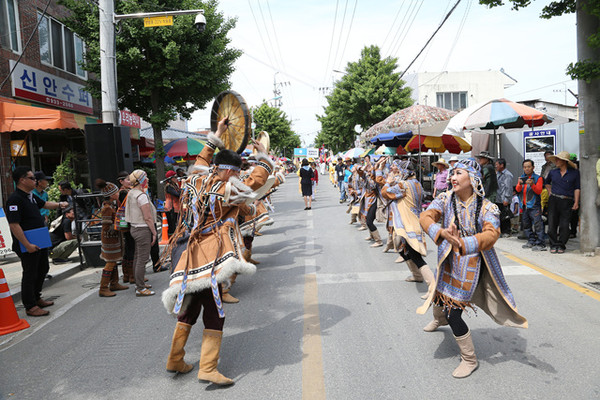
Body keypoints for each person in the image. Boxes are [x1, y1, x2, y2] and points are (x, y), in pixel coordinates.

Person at [162, 118, 271, 385]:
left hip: (188, 255)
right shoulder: (227, 189)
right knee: (215, 313)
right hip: (211, 258)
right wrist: (263, 157)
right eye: (236, 172)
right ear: (230, 171)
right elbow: (257, 182)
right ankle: (208, 367)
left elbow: (201, 160)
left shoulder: (196, 179)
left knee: (189, 307)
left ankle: (175, 359)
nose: (239, 176)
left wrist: (217, 135)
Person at [419, 158, 527, 378]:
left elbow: (491, 234)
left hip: (472, 262)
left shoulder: (488, 207)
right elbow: (425, 216)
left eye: (458, 173)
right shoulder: (445, 198)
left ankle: (469, 359)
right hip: (448, 257)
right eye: (452, 173)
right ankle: (438, 319)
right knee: (441, 291)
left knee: (454, 313)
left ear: (473, 178)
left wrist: (463, 243)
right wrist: (441, 233)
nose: (452, 177)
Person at [6, 166, 69, 317]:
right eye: (32, 178)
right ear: (22, 180)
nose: (35, 181)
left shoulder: (31, 196)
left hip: (40, 241)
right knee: (30, 273)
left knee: (43, 268)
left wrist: (60, 205)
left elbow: (45, 205)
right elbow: (14, 225)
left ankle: (36, 297)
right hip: (27, 244)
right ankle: (30, 305)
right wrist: (27, 245)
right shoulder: (15, 199)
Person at [380, 159, 435, 298]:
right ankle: (417, 275)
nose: (395, 170)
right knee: (401, 249)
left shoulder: (403, 185)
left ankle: (433, 286)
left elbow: (385, 192)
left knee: (415, 257)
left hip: (408, 224)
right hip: (409, 223)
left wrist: (388, 181)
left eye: (398, 169)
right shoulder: (416, 183)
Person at [124, 169, 157, 296]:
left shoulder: (132, 192)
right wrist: (154, 232)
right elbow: (147, 217)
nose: (147, 179)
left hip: (134, 228)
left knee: (138, 257)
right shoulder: (141, 195)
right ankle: (141, 288)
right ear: (141, 180)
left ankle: (139, 283)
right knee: (142, 259)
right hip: (143, 229)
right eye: (146, 177)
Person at [95, 179, 129, 297]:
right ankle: (103, 288)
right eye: (116, 192)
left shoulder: (109, 206)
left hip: (113, 239)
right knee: (110, 263)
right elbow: (106, 227)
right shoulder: (107, 208)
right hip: (110, 240)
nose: (118, 193)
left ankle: (114, 283)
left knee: (113, 261)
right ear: (111, 195)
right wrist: (118, 225)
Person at [545, 151, 580, 254]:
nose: (556, 161)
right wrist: (550, 192)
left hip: (567, 201)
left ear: (564, 161)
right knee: (552, 223)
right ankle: (553, 244)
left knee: (564, 225)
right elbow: (546, 183)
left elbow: (577, 188)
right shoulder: (553, 172)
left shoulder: (574, 173)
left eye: (558, 159)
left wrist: (576, 202)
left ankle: (561, 245)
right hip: (554, 200)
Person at [516, 159, 546, 251]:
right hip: (525, 206)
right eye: (525, 167)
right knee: (526, 225)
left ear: (533, 167)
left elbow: (539, 191)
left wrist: (532, 184)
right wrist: (520, 184)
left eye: (529, 167)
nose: (527, 169)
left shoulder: (538, 178)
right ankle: (531, 240)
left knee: (538, 225)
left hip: (534, 205)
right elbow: (517, 190)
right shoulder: (522, 177)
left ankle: (541, 243)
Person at [495, 158, 514, 237]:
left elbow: (508, 188)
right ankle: (501, 231)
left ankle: (507, 231)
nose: (496, 166)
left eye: (497, 165)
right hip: (498, 198)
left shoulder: (507, 175)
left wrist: (506, 199)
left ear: (502, 165)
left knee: (505, 215)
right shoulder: (498, 173)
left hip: (504, 199)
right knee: (500, 215)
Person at [164, 170, 181, 236]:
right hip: (171, 209)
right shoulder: (169, 186)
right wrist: (182, 187)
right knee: (172, 227)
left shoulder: (175, 185)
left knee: (177, 226)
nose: (177, 178)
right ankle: (171, 242)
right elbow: (177, 194)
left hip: (176, 209)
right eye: (175, 177)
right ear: (171, 179)